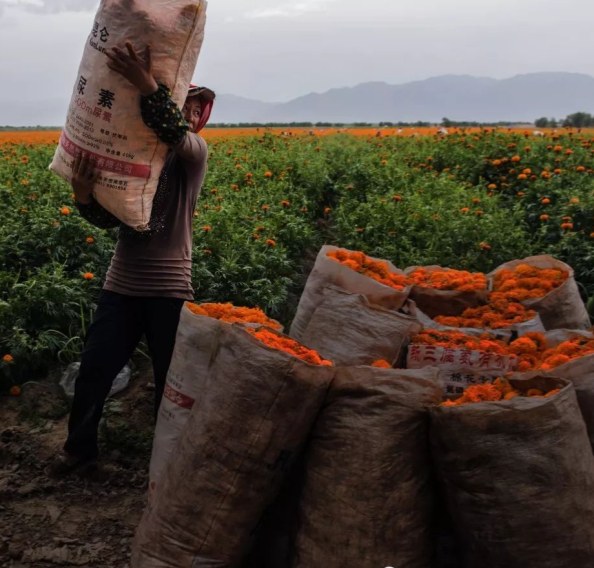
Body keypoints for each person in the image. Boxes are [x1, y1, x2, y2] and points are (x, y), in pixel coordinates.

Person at [48, 42, 215, 476]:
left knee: (169, 383)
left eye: (196, 109)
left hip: (169, 288)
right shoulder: (132, 164)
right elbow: (109, 219)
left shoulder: (194, 154)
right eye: (186, 105)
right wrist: (83, 196)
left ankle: (166, 465)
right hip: (120, 285)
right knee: (95, 371)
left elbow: (172, 131)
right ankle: (79, 450)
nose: (191, 115)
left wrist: (145, 83)